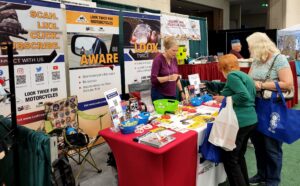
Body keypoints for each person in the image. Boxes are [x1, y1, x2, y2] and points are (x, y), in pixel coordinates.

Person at [246, 32, 294, 186]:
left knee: (272, 147)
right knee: (258, 144)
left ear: (259, 45)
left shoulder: (279, 59)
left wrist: (262, 85)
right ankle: (262, 175)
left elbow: (288, 84)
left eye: (250, 46)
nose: (249, 48)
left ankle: (273, 180)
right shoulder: (256, 61)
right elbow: (249, 79)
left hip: (272, 107)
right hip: (255, 106)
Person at [206, 54, 257, 186]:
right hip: (250, 120)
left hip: (240, 120)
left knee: (230, 159)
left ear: (223, 67)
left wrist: (225, 99)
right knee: (238, 157)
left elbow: (243, 96)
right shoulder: (244, 75)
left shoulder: (232, 76)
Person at [150, 36, 185, 101]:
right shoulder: (158, 60)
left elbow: (176, 77)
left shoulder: (174, 59)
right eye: (173, 50)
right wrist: (169, 78)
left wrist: (181, 91)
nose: (175, 53)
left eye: (177, 50)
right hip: (159, 95)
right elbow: (153, 79)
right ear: (166, 49)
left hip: (172, 95)